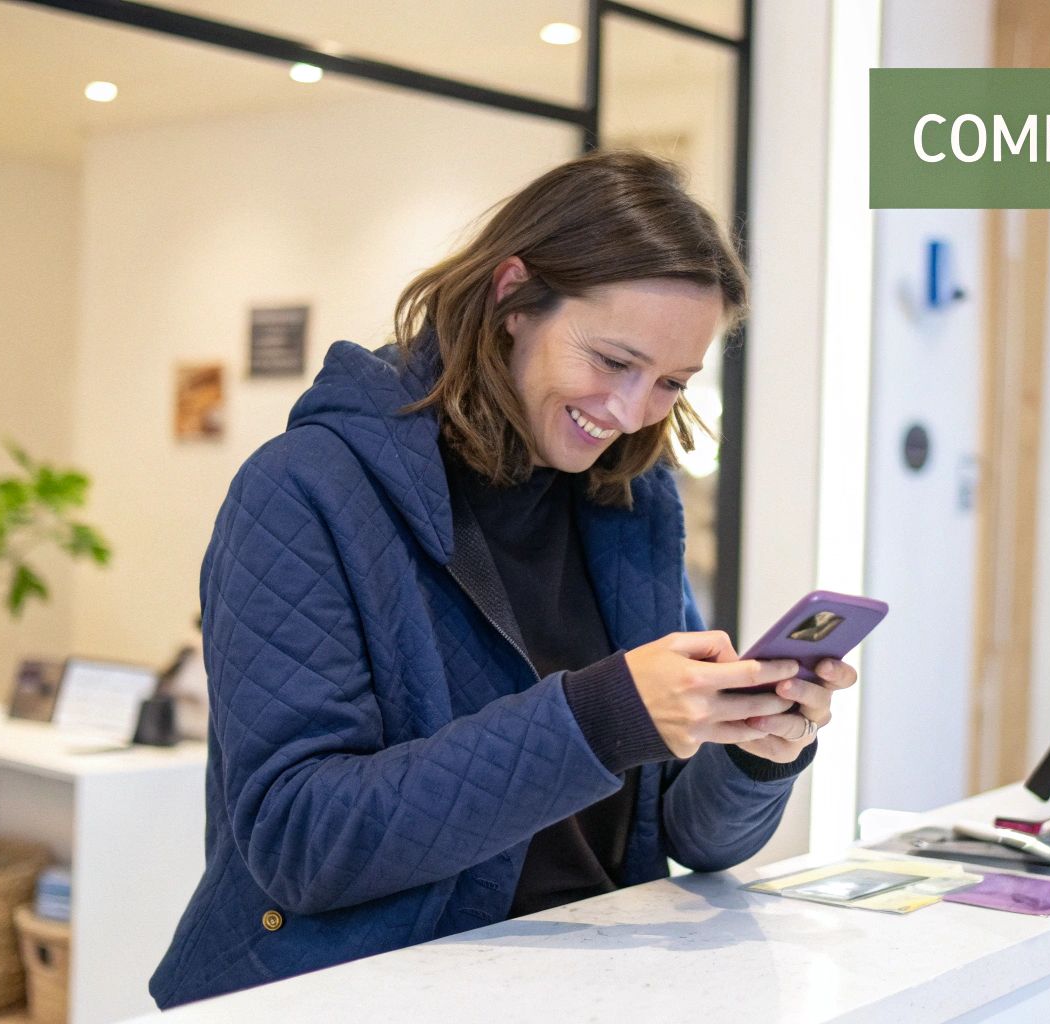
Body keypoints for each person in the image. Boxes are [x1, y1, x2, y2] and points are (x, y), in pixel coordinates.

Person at [150, 151, 857, 1008]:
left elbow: (679, 833)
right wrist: (604, 717)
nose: (633, 412)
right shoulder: (303, 491)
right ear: (513, 298)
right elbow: (300, 840)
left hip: (585, 984)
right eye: (612, 361)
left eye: (671, 382)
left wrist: (753, 753)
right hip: (362, 992)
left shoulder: (633, 504)